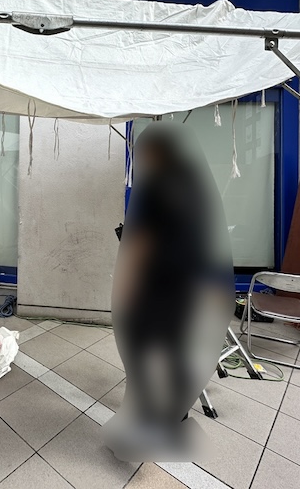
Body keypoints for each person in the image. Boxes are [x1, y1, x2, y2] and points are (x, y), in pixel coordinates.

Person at [103, 121, 234, 462]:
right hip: (187, 286)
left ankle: (146, 420)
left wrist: (127, 289)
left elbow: (143, 243)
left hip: (157, 284)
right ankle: (176, 417)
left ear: (155, 152)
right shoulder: (195, 183)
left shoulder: (156, 185)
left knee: (140, 347)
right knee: (176, 348)